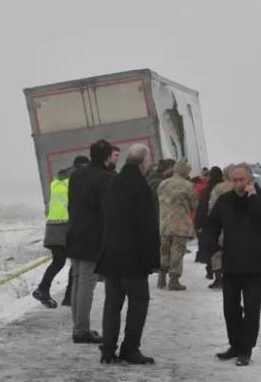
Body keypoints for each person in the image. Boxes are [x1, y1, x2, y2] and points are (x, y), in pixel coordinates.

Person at [206, 163, 261, 367]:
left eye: (242, 180)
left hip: (255, 266)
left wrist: (253, 198)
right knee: (230, 308)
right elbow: (212, 224)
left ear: (250, 180)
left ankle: (246, 350)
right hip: (231, 263)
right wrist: (213, 247)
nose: (238, 184)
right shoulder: (225, 200)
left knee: (252, 309)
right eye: (235, 180)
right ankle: (235, 345)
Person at [96, 144, 159, 365]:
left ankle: (107, 350)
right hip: (133, 258)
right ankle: (130, 349)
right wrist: (153, 261)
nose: (150, 163)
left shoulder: (113, 182)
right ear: (143, 161)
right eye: (149, 160)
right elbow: (147, 226)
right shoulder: (140, 186)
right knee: (139, 302)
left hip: (111, 254)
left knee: (112, 303)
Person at [65, 139, 114, 344]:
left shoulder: (76, 175)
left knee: (77, 280)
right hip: (92, 237)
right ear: (107, 156)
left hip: (74, 233)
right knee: (86, 283)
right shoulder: (105, 178)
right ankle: (81, 330)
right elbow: (107, 210)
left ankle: (78, 324)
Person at [33, 155, 89, 308]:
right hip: (65, 226)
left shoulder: (57, 181)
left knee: (58, 261)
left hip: (52, 226)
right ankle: (69, 298)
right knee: (76, 261)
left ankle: (43, 289)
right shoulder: (75, 182)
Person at [157, 160, 198, 291]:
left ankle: (161, 278)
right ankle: (174, 280)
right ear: (185, 171)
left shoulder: (163, 183)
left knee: (164, 250)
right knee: (177, 251)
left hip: (164, 222)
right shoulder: (188, 185)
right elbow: (194, 205)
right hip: (180, 223)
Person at [205, 164, 235, 289]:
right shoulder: (242, 186)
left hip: (220, 224)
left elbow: (211, 205)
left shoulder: (219, 188)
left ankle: (219, 279)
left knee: (217, 251)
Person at [195, 167, 221, 281]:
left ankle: (211, 271)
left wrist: (199, 224)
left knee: (210, 247)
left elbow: (202, 208)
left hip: (209, 223)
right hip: (223, 223)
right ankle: (220, 273)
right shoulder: (224, 188)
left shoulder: (207, 190)